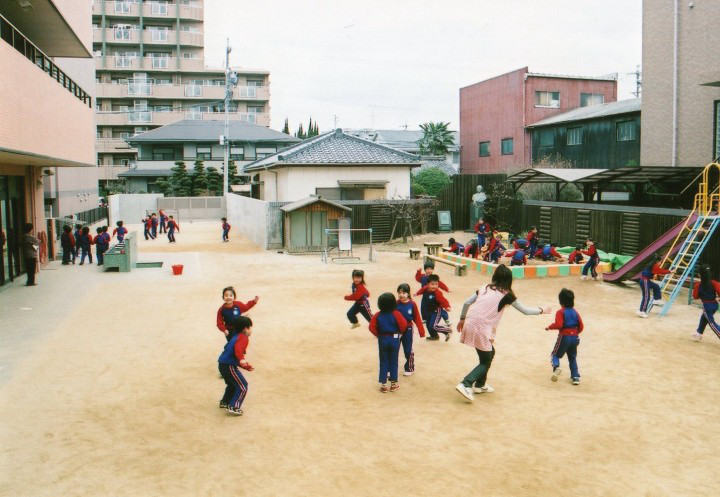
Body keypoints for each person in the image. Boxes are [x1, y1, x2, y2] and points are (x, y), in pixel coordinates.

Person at [455, 264, 549, 401]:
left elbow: (466, 302)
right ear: (509, 280)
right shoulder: (507, 295)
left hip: (470, 322)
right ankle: (466, 383)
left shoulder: (484, 288)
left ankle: (480, 385)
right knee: (485, 361)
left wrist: (462, 319)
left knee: (490, 353)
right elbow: (526, 311)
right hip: (481, 328)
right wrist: (541, 310)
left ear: (495, 277)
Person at [369, 292, 408, 393]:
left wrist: (378, 334)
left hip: (383, 339)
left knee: (383, 361)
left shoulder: (377, 315)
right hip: (394, 339)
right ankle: (394, 384)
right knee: (393, 361)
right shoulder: (396, 314)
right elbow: (404, 325)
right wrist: (399, 332)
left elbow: (371, 327)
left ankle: (384, 385)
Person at [545, 288, 584, 385]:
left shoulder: (560, 312)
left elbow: (559, 325)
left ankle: (556, 367)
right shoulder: (575, 312)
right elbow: (581, 325)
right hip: (574, 337)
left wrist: (549, 327)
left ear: (560, 301)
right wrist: (576, 333)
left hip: (564, 337)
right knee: (572, 357)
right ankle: (575, 377)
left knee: (555, 355)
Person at [218, 315, 254, 415]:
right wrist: (242, 360)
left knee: (232, 385)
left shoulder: (235, 336)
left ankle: (225, 402)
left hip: (222, 364)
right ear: (245, 329)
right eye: (250, 327)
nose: (251, 330)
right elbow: (238, 350)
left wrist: (244, 366)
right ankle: (234, 406)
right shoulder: (243, 338)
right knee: (243, 386)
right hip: (229, 366)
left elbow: (229, 349)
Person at [396, 283, 425, 376]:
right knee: (394, 349)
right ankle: (391, 368)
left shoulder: (412, 304)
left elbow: (417, 318)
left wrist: (421, 331)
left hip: (408, 330)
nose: (401, 295)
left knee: (408, 350)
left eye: (404, 293)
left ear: (408, 293)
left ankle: (409, 367)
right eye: (399, 293)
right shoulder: (396, 303)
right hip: (396, 330)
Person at [416, 274, 452, 341]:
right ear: (428, 284)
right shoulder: (425, 288)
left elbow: (443, 300)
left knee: (433, 326)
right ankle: (434, 336)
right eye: (432, 284)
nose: (434, 286)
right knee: (428, 325)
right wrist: (417, 293)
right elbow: (421, 290)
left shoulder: (437, 293)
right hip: (429, 311)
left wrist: (447, 306)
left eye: (436, 284)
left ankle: (447, 330)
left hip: (437, 311)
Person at [415, 262, 451, 329]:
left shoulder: (434, 278)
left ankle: (446, 318)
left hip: (433, 295)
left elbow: (441, 284)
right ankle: (425, 318)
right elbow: (417, 278)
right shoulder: (423, 277)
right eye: (427, 269)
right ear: (425, 269)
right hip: (425, 295)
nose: (429, 270)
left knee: (438, 307)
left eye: (431, 269)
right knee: (423, 307)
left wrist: (446, 289)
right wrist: (418, 272)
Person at [691, 265, 720, 341]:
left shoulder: (698, 285)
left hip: (707, 306)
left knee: (711, 323)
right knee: (704, 317)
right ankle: (698, 333)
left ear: (699, 275)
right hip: (715, 304)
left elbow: (695, 296)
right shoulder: (713, 282)